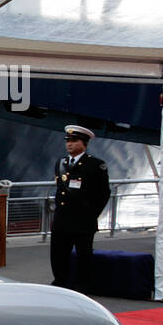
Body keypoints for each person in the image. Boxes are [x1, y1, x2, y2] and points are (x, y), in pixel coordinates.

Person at [51, 125, 110, 292]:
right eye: (67, 141)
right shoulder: (61, 163)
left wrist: (91, 215)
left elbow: (103, 194)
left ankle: (83, 287)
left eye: (74, 141)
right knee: (58, 255)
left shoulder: (96, 165)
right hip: (62, 220)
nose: (69, 144)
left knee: (84, 256)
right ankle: (60, 284)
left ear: (84, 143)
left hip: (82, 221)